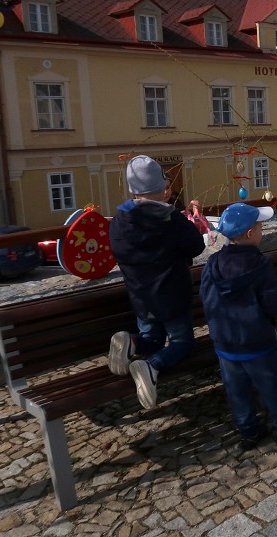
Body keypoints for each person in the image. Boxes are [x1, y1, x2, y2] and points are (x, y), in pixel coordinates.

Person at [200, 203, 277, 449]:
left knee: (236, 389)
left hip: (225, 342)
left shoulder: (213, 264)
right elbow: (272, 304)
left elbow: (207, 300)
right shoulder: (260, 265)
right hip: (257, 339)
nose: (261, 230)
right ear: (251, 233)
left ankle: (249, 431)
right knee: (271, 384)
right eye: (260, 226)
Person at [108, 155, 206, 409]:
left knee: (150, 338)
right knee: (182, 343)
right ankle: (150, 366)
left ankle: (131, 341)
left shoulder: (120, 220)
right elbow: (195, 246)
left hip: (141, 297)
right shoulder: (169, 219)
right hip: (172, 295)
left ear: (133, 189)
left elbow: (118, 251)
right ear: (162, 188)